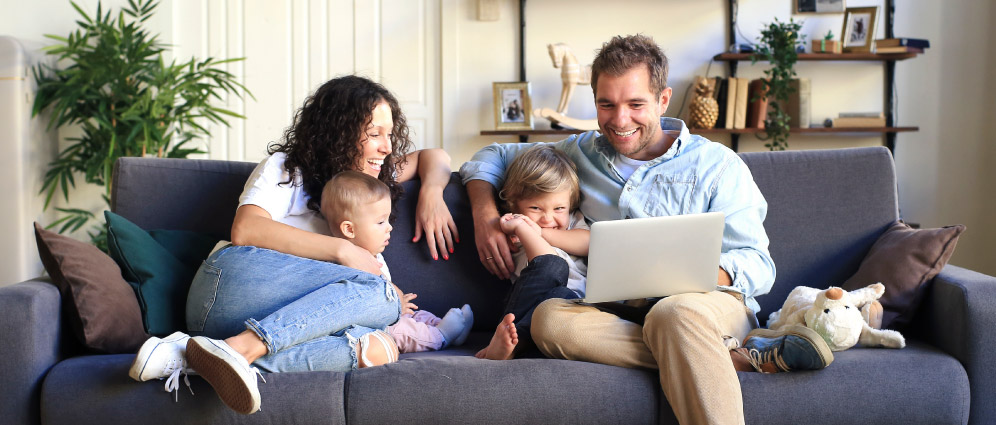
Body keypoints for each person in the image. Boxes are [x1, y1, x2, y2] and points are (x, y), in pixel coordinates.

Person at [459, 34, 833, 425]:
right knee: (549, 319)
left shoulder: (717, 165)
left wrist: (688, 274)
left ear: (663, 100)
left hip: (705, 306)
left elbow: (758, 264)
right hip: (614, 312)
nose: (619, 121)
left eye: (635, 104)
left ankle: (705, 340)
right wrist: (485, 215)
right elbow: (493, 156)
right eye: (607, 104)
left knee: (673, 313)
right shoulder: (579, 152)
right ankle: (729, 355)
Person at [128, 75, 459, 415]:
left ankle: (194, 356)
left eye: (389, 134)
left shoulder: (371, 180)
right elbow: (246, 228)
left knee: (379, 347)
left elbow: (433, 156)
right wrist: (344, 251)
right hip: (228, 289)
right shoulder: (287, 169)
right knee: (382, 293)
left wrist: (432, 195)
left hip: (274, 324)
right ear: (339, 133)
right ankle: (242, 348)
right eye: (375, 134)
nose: (387, 147)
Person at [319, 170, 474, 353]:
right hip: (372, 327)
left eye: (388, 220)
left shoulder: (374, 255)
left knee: (417, 315)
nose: (390, 227)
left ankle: (450, 330)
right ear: (349, 229)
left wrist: (399, 302)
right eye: (380, 222)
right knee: (401, 331)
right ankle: (441, 336)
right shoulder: (345, 263)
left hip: (388, 313)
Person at [474, 145, 589, 360]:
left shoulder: (573, 221)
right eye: (536, 208)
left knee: (562, 296)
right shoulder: (514, 227)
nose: (548, 218)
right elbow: (547, 262)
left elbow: (588, 242)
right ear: (513, 204)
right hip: (530, 308)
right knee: (553, 268)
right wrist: (524, 229)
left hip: (572, 309)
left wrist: (540, 231)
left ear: (571, 204)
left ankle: (513, 349)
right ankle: (507, 346)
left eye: (559, 209)